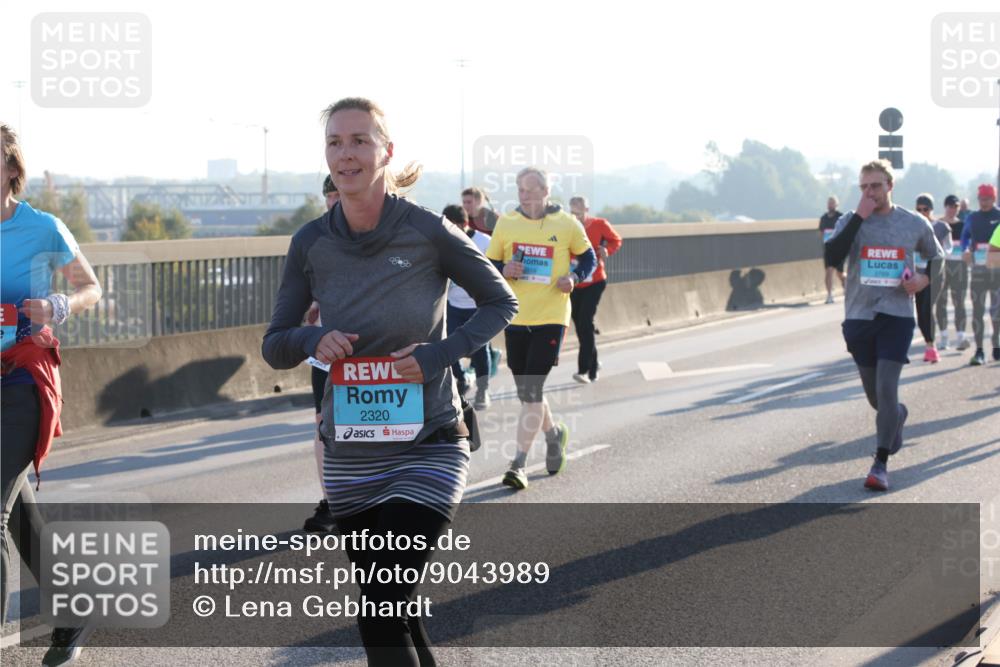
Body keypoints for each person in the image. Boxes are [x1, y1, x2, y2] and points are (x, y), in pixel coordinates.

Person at [262, 97, 515, 666]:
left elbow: (503, 301)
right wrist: (311, 339)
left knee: (379, 609)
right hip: (351, 452)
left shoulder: (428, 231)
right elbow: (275, 343)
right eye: (334, 143)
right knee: (390, 607)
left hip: (428, 443)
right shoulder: (311, 242)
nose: (345, 154)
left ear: (386, 151)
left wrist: (439, 356)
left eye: (359, 141)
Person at [1, 123, 104, 666]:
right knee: (16, 512)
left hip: (24, 380)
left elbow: (92, 286)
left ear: (12, 170)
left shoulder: (42, 227)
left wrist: (61, 305)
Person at [824, 160, 943, 492]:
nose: (869, 192)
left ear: (890, 186)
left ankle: (880, 464)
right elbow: (831, 257)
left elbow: (938, 257)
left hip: (897, 316)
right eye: (863, 187)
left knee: (887, 387)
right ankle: (897, 416)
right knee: (878, 398)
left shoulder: (913, 222)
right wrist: (860, 215)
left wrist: (923, 277)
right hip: (860, 317)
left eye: (875, 186)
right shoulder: (851, 220)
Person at [485, 167, 595, 490]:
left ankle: (518, 463)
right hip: (516, 316)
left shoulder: (566, 224)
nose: (525, 197)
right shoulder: (506, 224)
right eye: (520, 191)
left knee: (532, 389)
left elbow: (588, 258)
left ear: (547, 192)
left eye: (531, 191)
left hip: (551, 316)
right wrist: (504, 268)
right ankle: (553, 433)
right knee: (528, 393)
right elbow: (488, 264)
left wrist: (573, 278)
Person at [302, 175, 340, 533]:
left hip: (374, 350)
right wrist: (310, 305)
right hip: (326, 351)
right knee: (321, 424)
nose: (333, 200)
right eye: (329, 195)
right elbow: (301, 287)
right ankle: (330, 502)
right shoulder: (314, 236)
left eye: (338, 194)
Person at [442, 204, 493, 409]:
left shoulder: (484, 242)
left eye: (454, 227)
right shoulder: (443, 240)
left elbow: (495, 271)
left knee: (480, 350)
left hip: (478, 306)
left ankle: (483, 390)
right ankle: (462, 379)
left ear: (464, 225)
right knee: (449, 346)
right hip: (453, 305)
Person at [568, 195, 622, 383]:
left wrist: (607, 250)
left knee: (585, 321)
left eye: (579, 211)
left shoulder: (599, 224)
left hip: (595, 281)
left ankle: (585, 370)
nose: (576, 216)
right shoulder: (567, 226)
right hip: (574, 282)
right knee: (582, 326)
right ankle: (594, 362)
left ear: (587, 210)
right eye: (573, 212)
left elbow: (615, 240)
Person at [959, 184, 1000, 365]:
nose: (984, 203)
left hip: (997, 269)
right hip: (978, 270)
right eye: (981, 199)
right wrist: (965, 250)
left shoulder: (998, 216)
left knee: (997, 311)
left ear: (994, 199)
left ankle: (996, 345)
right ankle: (979, 350)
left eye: (987, 199)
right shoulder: (972, 217)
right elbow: (965, 237)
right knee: (978, 311)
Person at [913, 194, 951, 363]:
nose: (922, 212)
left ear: (931, 209)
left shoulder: (941, 227)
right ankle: (930, 343)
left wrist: (936, 250)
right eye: (919, 209)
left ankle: (931, 347)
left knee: (927, 307)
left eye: (925, 209)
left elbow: (948, 248)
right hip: (918, 273)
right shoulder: (912, 226)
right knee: (920, 312)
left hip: (935, 273)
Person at [936, 194, 970, 351]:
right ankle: (943, 337)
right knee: (941, 302)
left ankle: (961, 336)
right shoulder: (938, 225)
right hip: (941, 267)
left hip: (959, 268)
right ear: (945, 207)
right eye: (950, 206)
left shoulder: (963, 225)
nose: (952, 210)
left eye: (955, 207)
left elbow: (969, 245)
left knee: (959, 302)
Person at [819, 196, 845, 304]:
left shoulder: (841, 217)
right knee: (829, 271)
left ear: (836, 204)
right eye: (829, 203)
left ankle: (845, 283)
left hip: (839, 248)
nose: (831, 205)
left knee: (839, 273)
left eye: (833, 203)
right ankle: (829, 295)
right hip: (829, 249)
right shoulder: (824, 218)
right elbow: (821, 232)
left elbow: (846, 231)